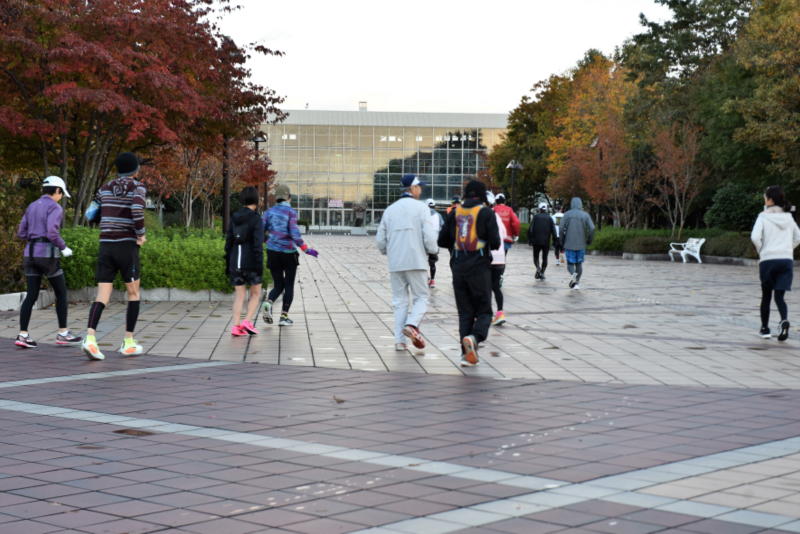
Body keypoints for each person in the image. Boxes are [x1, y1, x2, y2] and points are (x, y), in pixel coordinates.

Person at [82, 153, 146, 361]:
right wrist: (141, 234)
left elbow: (89, 214)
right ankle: (128, 342)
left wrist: (107, 220)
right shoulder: (138, 187)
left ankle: (90, 338)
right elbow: (137, 210)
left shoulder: (104, 187)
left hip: (106, 245)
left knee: (102, 295)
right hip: (126, 246)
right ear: (136, 169)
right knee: (133, 293)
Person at [438, 180, 501, 366]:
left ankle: (466, 355)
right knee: (484, 311)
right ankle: (475, 337)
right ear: (482, 195)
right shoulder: (486, 212)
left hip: (458, 267)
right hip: (479, 267)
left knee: (465, 313)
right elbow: (496, 242)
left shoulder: (455, 212)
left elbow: (441, 241)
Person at [14, 176, 81, 349]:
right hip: (47, 255)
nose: (61, 197)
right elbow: (52, 232)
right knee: (61, 292)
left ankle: (23, 335)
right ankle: (63, 333)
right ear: (57, 190)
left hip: (30, 253)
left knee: (31, 295)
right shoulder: (55, 207)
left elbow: (21, 232)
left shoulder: (32, 206)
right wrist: (63, 247)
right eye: (61, 193)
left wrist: (34, 237)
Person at [376, 174, 438, 352]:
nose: (421, 190)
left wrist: (387, 251)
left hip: (396, 262)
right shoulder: (422, 208)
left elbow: (380, 240)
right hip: (416, 260)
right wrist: (433, 250)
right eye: (419, 187)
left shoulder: (390, 210)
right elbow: (429, 236)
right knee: (421, 297)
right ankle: (412, 324)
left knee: (399, 302)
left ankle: (400, 341)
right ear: (413, 188)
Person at [262, 184, 318, 326]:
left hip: (272, 253)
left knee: (278, 285)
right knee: (288, 285)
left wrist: (269, 241)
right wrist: (306, 249)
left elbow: (260, 231)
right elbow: (294, 233)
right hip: (288, 253)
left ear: (276, 198)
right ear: (288, 197)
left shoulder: (268, 212)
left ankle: (269, 302)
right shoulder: (291, 212)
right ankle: (284, 317)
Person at [751, 185, 800, 341]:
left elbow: (755, 237)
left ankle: (765, 329)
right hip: (785, 260)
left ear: (770, 200)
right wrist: (788, 249)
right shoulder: (789, 217)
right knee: (779, 296)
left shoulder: (763, 217)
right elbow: (798, 237)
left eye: (765, 197)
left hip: (768, 260)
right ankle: (783, 320)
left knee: (766, 296)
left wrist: (762, 250)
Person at [225, 187, 264, 336]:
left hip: (236, 260)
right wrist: (259, 264)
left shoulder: (234, 217)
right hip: (251, 260)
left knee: (239, 295)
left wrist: (228, 262)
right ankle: (247, 321)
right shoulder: (256, 218)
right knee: (256, 293)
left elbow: (228, 242)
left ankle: (236, 326)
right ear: (256, 199)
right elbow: (257, 244)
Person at [560, 197, 595, 290]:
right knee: (579, 264)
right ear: (580, 204)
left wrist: (562, 241)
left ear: (572, 204)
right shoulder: (585, 215)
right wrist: (589, 240)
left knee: (570, 264)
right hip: (581, 244)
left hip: (569, 243)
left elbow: (561, 228)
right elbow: (592, 228)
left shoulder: (567, 214)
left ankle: (574, 279)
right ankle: (577, 282)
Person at [487, 192, 508, 326]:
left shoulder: (483, 216)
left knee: (485, 287)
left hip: (488, 257)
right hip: (500, 258)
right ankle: (500, 313)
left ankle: (487, 314)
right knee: (495, 287)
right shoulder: (497, 217)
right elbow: (504, 234)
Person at [529, 202, 558, 280]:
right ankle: (542, 272)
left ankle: (538, 269)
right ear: (546, 209)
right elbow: (554, 231)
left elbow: (531, 229)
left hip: (536, 241)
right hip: (546, 242)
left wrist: (530, 239)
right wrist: (555, 240)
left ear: (539, 209)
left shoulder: (535, 217)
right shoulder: (550, 218)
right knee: (545, 258)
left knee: (536, 257)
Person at [426, 198, 444, 288]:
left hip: (423, 242)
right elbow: (442, 227)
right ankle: (432, 280)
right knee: (432, 262)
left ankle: (425, 277)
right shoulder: (439, 215)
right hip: (434, 242)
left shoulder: (422, 215)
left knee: (422, 261)